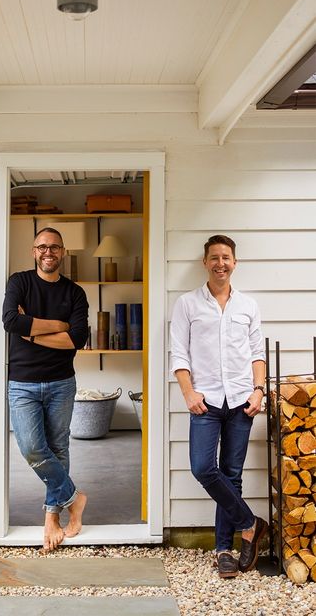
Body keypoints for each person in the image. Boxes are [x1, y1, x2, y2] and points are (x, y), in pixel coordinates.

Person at [170, 234, 268, 579]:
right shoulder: (187, 304)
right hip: (205, 402)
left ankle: (224, 548)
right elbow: (179, 354)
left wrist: (258, 392)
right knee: (202, 468)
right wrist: (189, 393)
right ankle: (250, 524)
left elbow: (258, 354)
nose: (220, 263)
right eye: (214, 257)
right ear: (205, 262)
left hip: (243, 401)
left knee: (232, 475)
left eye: (226, 257)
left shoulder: (248, 306)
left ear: (234, 263)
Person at [2, 227, 89, 551]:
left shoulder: (75, 293)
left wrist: (32, 330)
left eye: (54, 247)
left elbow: (75, 340)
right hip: (22, 383)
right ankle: (74, 498)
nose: (48, 252)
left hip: (61, 382)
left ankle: (52, 518)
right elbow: (11, 321)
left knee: (58, 447)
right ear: (33, 250)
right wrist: (58, 325)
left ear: (63, 252)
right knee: (32, 449)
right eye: (42, 246)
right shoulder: (20, 282)